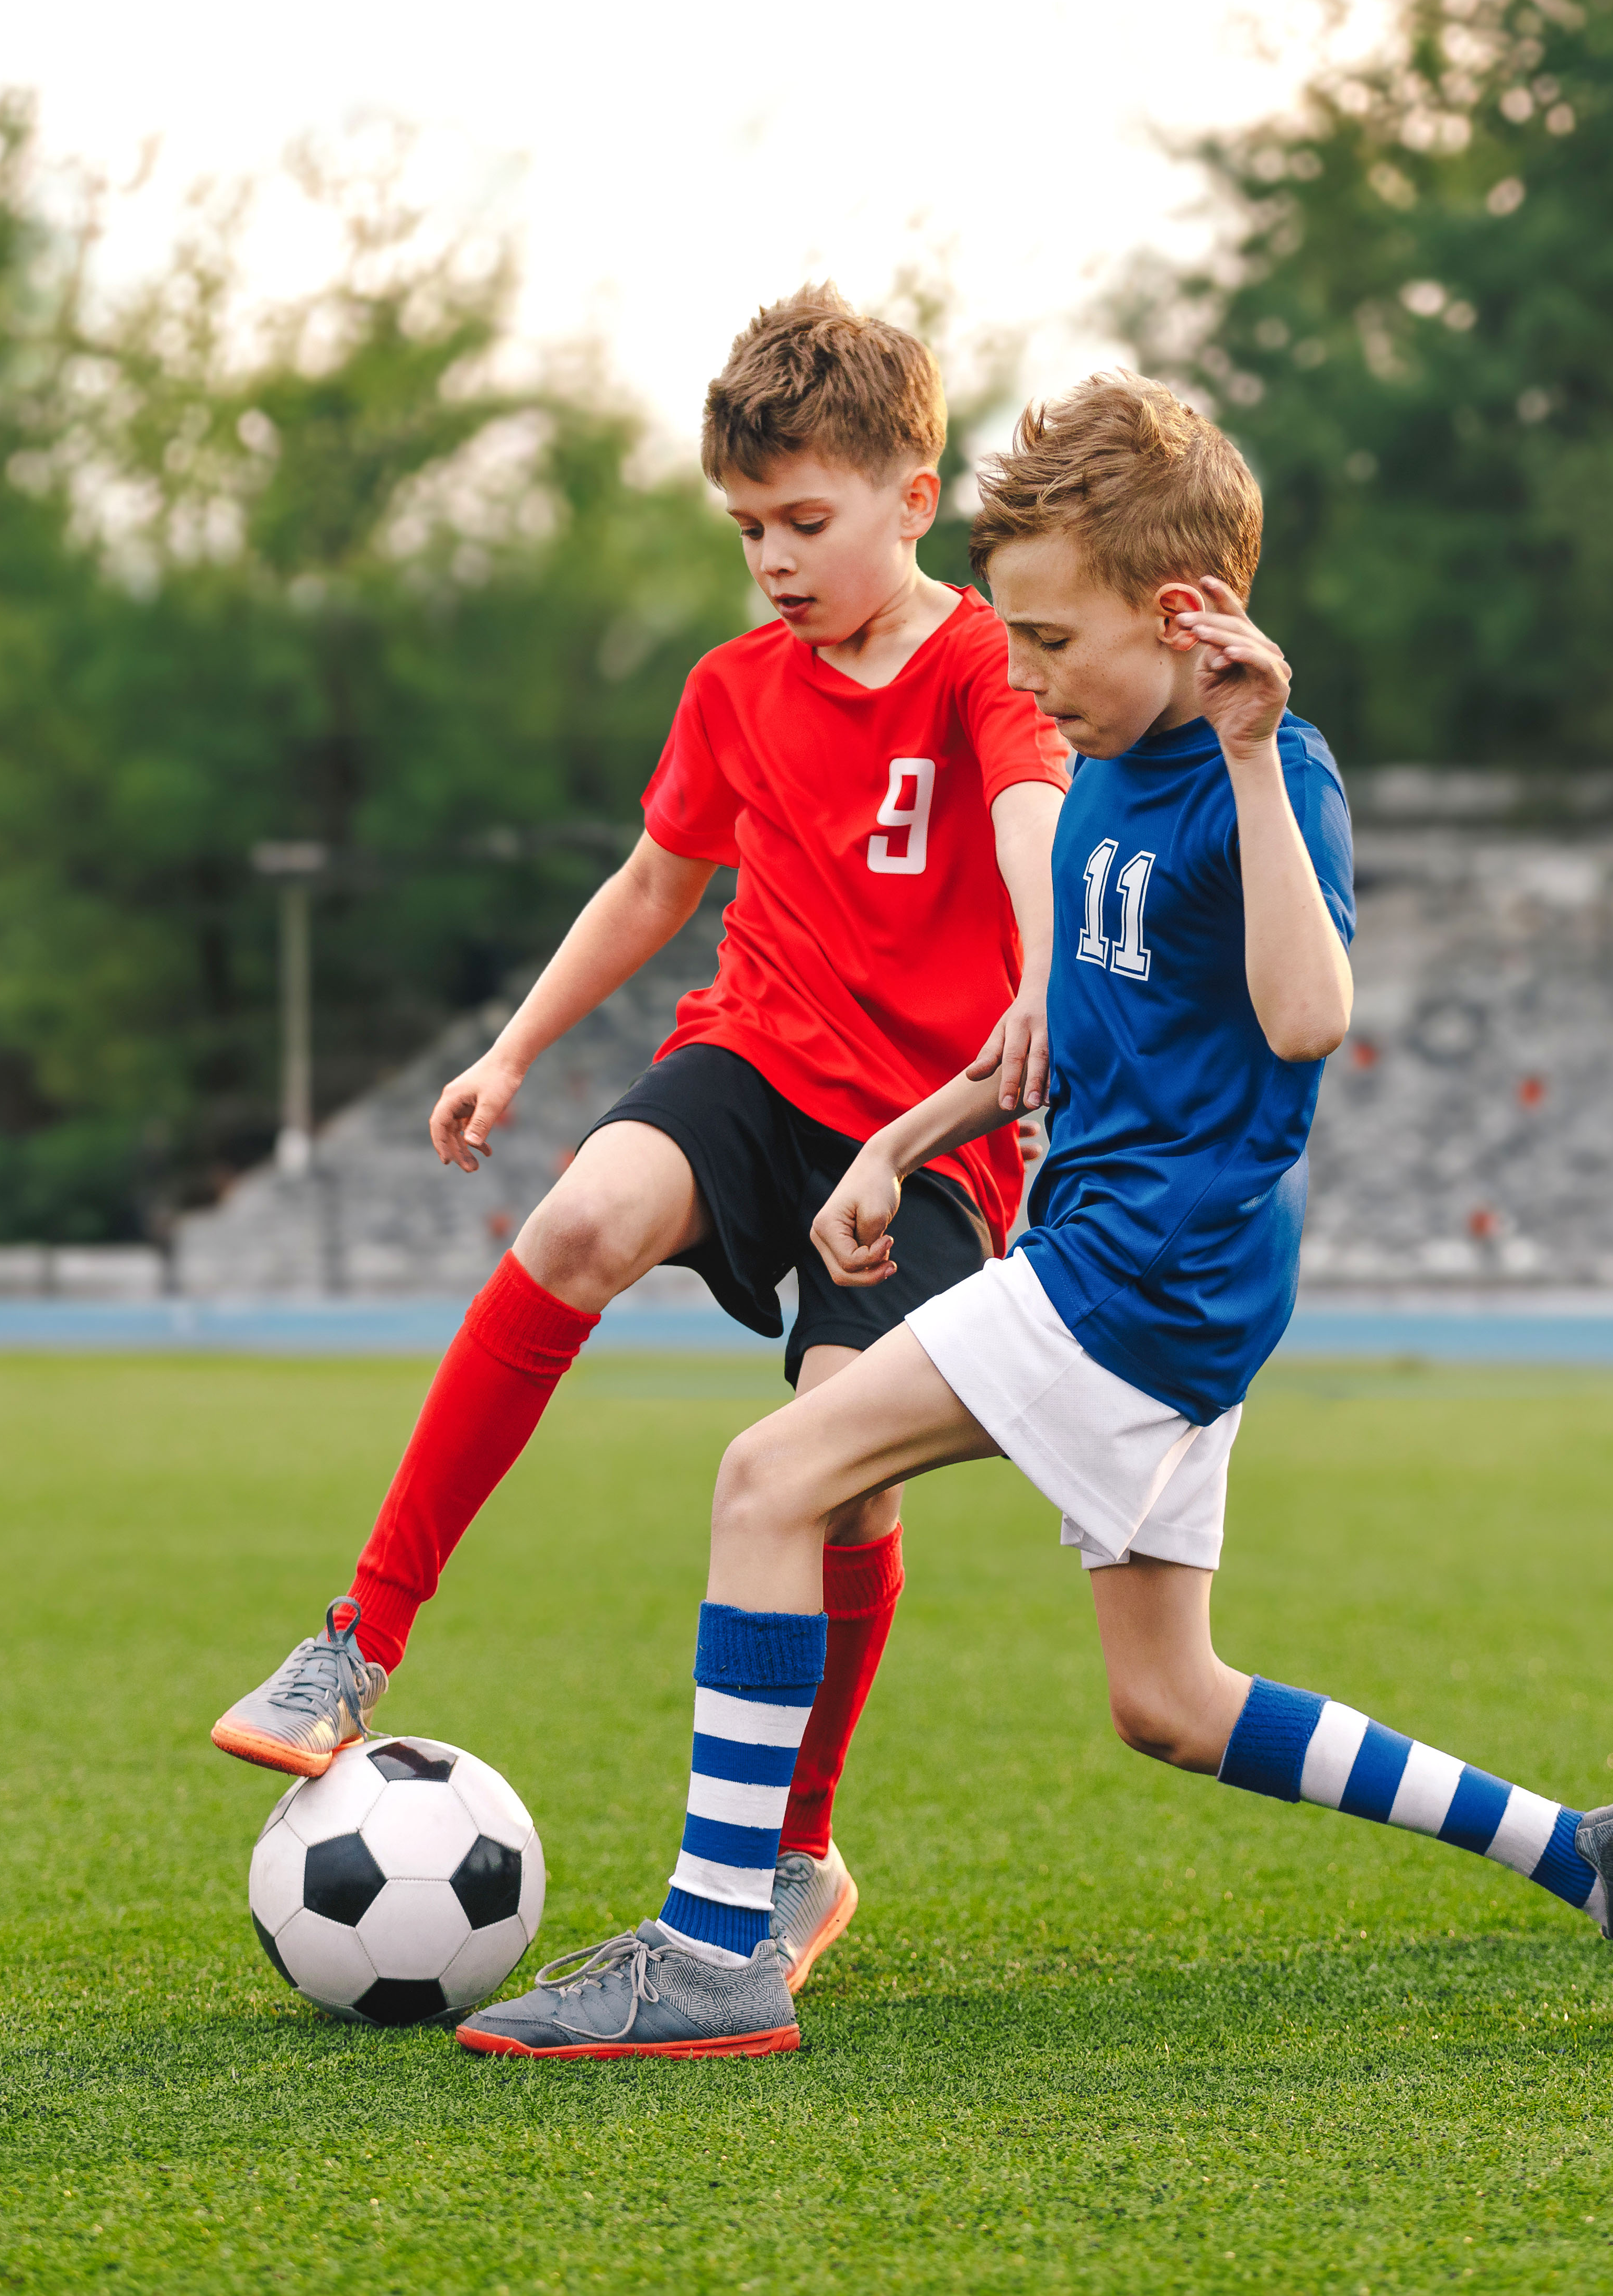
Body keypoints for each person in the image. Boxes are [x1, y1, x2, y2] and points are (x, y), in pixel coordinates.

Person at [452, 371, 1613, 2061]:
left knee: (768, 1478)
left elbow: (1309, 1018)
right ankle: (1593, 1856)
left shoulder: (1263, 773)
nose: (1022, 680)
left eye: (1052, 644)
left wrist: (1247, 754)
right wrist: (904, 1141)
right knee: (1171, 1702)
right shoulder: (1096, 755)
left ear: (1188, 621)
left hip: (1147, 1274)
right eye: (1009, 640)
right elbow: (1053, 1043)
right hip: (1129, 1259)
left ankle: (717, 1945)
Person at [208, 286, 1074, 1992]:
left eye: (805, 522)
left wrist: (1045, 985)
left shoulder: (986, 664)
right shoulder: (735, 686)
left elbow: (1035, 807)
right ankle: (358, 1639)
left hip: (924, 1133)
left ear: (917, 495)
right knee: (579, 1223)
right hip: (754, 1063)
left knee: (838, 1468)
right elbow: (657, 884)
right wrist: (514, 1049)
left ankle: (800, 1858)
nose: (772, 559)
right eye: (748, 526)